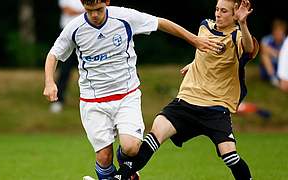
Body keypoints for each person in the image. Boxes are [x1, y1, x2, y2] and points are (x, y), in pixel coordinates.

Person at [43, 0, 221, 179]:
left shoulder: (124, 17)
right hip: (93, 101)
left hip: (126, 95)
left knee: (131, 147)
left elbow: (160, 23)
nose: (95, 15)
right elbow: (53, 54)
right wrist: (50, 82)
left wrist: (194, 40)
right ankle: (128, 175)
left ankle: (127, 168)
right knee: (104, 157)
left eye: (99, 9)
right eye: (90, 11)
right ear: (83, 4)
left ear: (107, 2)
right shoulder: (74, 27)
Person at [114, 0, 259, 179]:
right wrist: (195, 63)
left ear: (235, 14)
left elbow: (249, 49)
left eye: (224, 11)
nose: (218, 14)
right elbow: (205, 54)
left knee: (230, 156)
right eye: (217, 9)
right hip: (186, 101)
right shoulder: (205, 26)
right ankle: (118, 177)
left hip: (215, 108)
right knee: (155, 134)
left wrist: (243, 23)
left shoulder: (237, 36)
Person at [50, 0, 85, 113]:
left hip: (86, 32)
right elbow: (68, 10)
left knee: (89, 66)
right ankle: (58, 100)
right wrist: (89, 10)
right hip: (68, 34)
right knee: (65, 69)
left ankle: (93, 98)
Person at [259, 18, 287, 87]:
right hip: (268, 69)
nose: (278, 33)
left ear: (284, 32)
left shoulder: (286, 42)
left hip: (281, 67)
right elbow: (263, 48)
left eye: (280, 31)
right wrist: (277, 54)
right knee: (264, 55)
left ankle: (281, 79)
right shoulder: (267, 39)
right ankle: (273, 79)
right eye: (277, 30)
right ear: (273, 31)